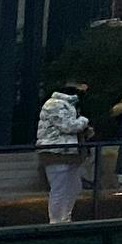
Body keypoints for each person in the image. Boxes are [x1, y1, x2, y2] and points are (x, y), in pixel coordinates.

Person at [36, 79, 94, 223]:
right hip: (56, 153)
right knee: (59, 188)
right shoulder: (55, 104)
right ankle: (56, 221)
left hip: (68, 153)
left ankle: (65, 217)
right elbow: (68, 126)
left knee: (73, 186)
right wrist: (84, 121)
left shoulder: (68, 105)